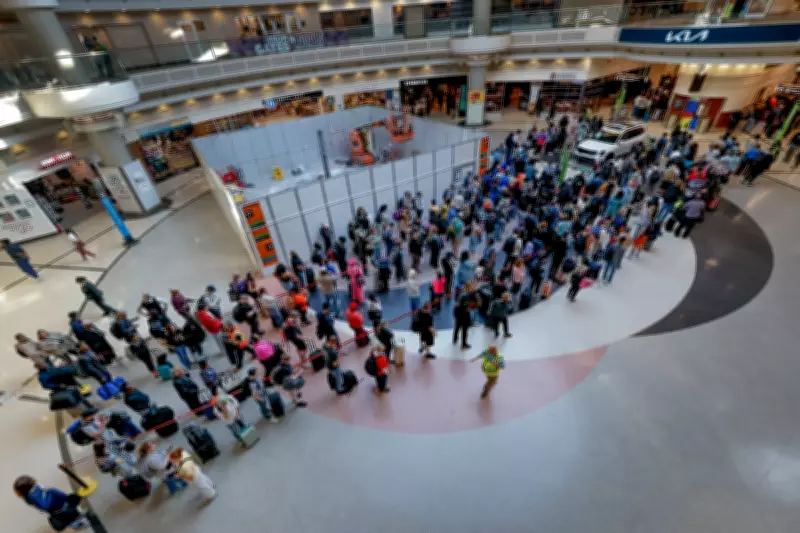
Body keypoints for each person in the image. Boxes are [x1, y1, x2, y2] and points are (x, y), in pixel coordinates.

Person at [13, 476, 89, 530]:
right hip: (60, 509)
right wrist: (50, 490)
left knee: (71, 511)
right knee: (70, 515)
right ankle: (78, 523)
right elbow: (46, 504)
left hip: (60, 506)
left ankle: (77, 517)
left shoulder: (29, 496)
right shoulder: (34, 495)